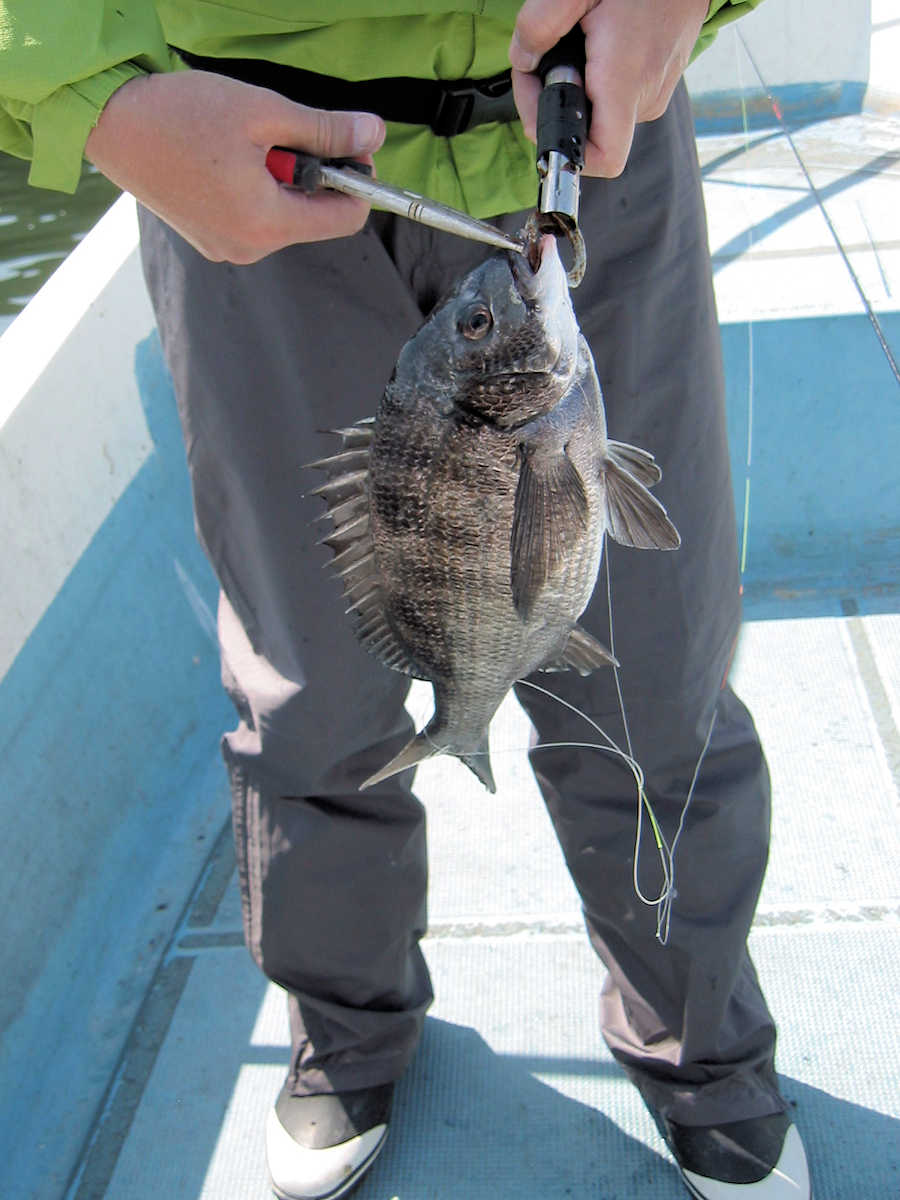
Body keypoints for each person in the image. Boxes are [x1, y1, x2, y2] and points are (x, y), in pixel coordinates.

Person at [1, 2, 811, 1198]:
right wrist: (96, 100)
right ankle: (345, 1023)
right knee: (312, 689)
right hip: (242, 143)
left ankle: (700, 1040)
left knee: (655, 676)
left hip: (581, 121)